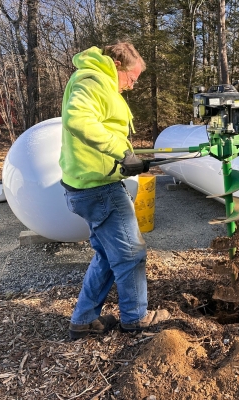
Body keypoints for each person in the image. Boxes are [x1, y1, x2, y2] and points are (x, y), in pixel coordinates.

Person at [60, 42, 170, 340]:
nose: (132, 86)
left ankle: (82, 321)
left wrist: (128, 160)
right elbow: (78, 120)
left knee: (107, 256)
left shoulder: (98, 81)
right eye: (132, 78)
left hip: (90, 183)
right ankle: (136, 319)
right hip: (99, 189)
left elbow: (103, 129)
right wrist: (122, 153)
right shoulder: (93, 80)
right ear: (118, 66)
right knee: (132, 255)